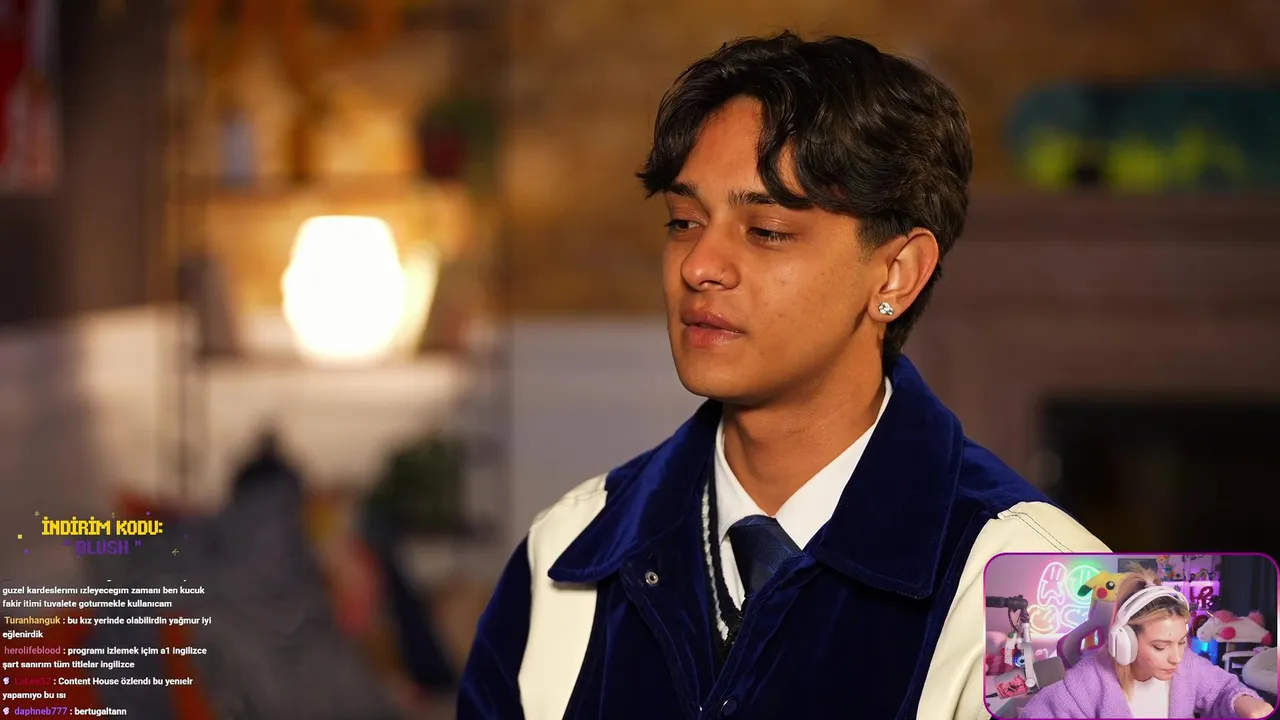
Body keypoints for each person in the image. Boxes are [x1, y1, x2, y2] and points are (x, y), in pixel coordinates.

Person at [459, 32, 1110, 719]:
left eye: (766, 230)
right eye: (683, 221)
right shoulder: (566, 549)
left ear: (895, 274)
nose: (699, 265)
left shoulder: (1058, 593)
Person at [1020, 569, 1274, 718]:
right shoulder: (1089, 680)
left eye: (1181, 642)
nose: (1176, 657)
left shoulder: (1189, 666)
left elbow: (1223, 689)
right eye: (1160, 646)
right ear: (1125, 642)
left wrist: (1245, 702)